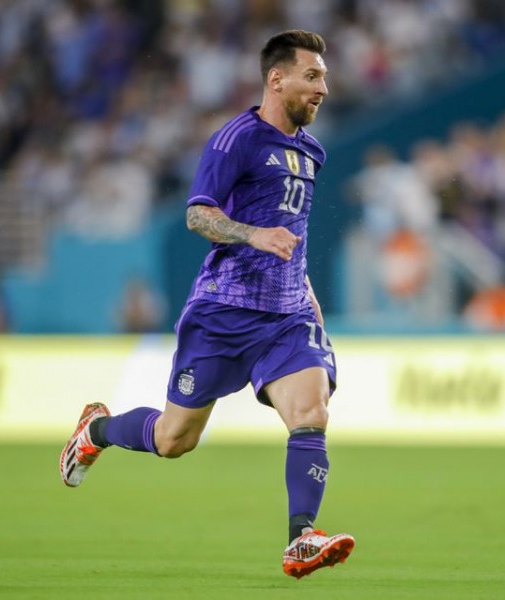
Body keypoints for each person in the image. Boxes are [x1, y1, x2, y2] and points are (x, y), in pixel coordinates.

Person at [59, 30, 354, 579]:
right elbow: (198, 215)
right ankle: (96, 431)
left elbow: (295, 233)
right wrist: (252, 234)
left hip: (286, 314)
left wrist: (306, 292)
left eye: (325, 79)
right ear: (276, 78)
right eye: (312, 77)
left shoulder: (312, 151)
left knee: (311, 415)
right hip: (224, 311)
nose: (323, 89)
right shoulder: (235, 139)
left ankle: (301, 539)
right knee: (175, 440)